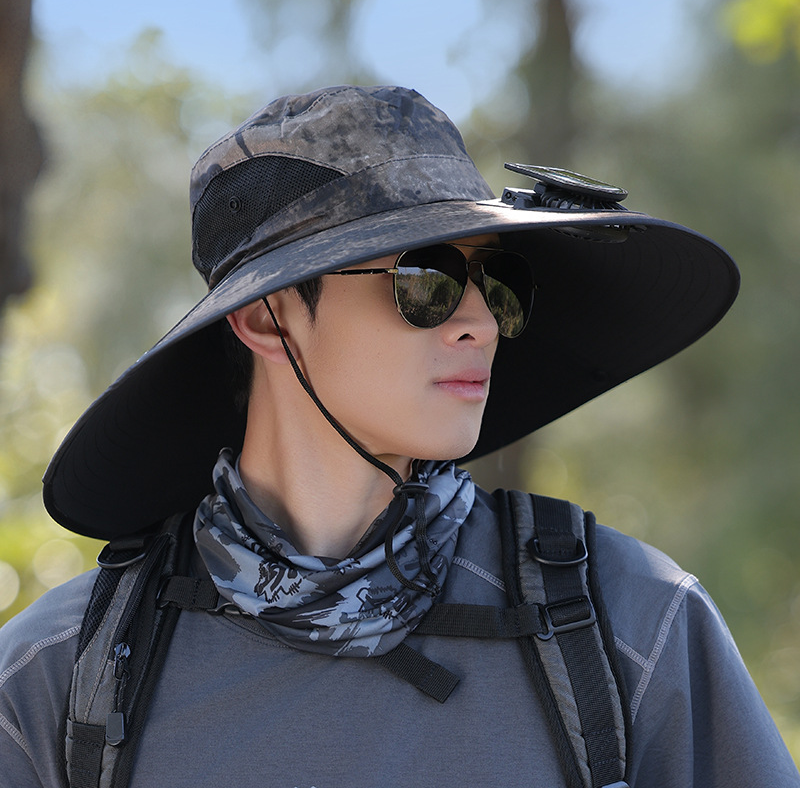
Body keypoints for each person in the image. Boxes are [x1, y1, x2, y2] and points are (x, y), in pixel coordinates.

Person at [1, 84, 798, 788]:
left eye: (497, 282)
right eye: (428, 279)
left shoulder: (631, 627)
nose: (481, 323)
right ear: (267, 318)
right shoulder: (61, 679)